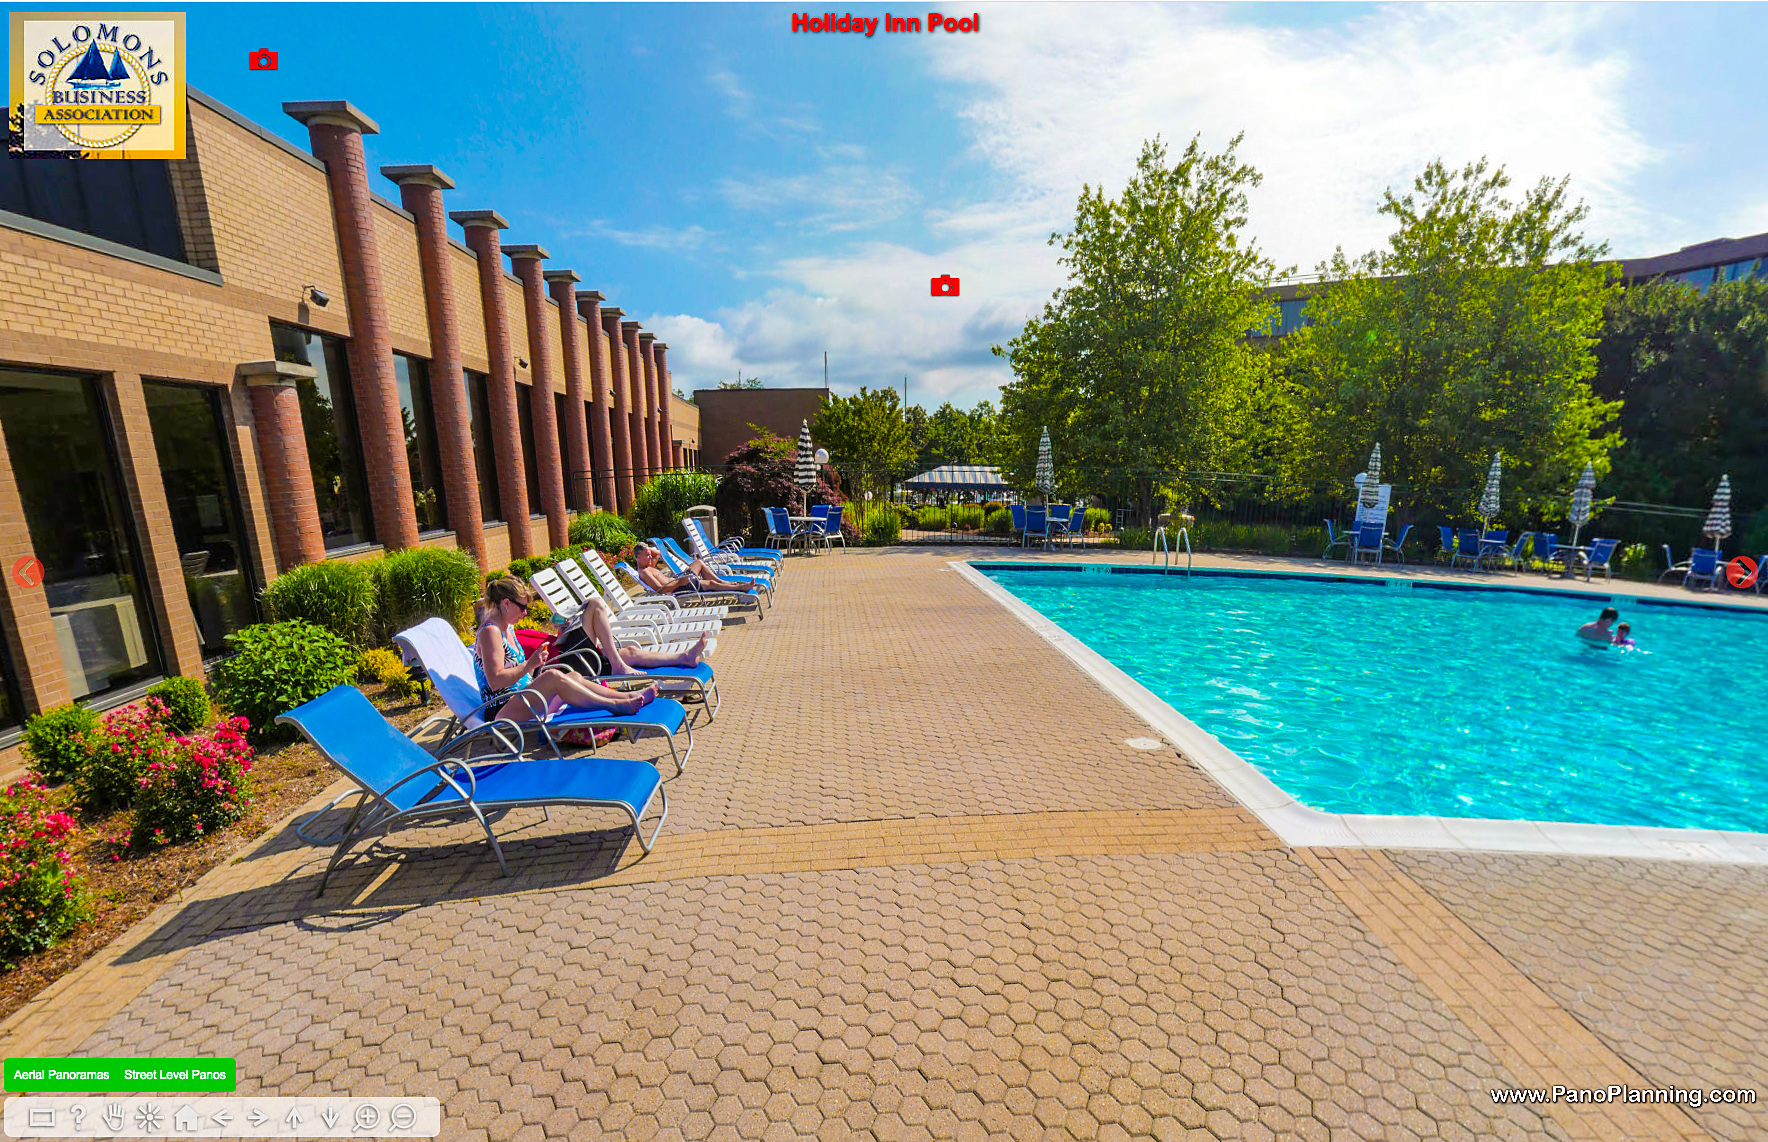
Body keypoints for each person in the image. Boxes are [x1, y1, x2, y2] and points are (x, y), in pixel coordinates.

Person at [473, 578, 657, 721]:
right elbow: (495, 681)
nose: (525, 613)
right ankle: (614, 704)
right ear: (506, 603)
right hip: (502, 709)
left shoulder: (507, 628)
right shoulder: (491, 632)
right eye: (522, 607)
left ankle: (628, 695)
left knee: (574, 676)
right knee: (553, 676)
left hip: (521, 696)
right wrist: (530, 665)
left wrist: (533, 667)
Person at [632, 542, 760, 597]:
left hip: (680, 580)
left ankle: (724, 582)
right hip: (678, 587)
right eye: (647, 555)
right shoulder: (645, 572)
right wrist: (679, 582)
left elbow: (658, 553)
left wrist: (645, 548)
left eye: (649, 554)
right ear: (638, 557)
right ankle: (741, 587)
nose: (650, 557)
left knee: (699, 562)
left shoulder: (648, 566)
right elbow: (661, 589)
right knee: (711, 584)